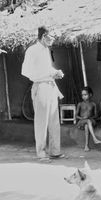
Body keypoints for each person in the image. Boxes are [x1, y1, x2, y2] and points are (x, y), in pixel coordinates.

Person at [21, 26, 65, 162]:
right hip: (40, 86)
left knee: (54, 120)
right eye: (51, 37)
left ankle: (55, 151)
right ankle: (41, 153)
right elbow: (26, 71)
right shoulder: (32, 50)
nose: (53, 40)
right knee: (42, 121)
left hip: (51, 86)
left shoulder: (46, 50)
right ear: (44, 36)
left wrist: (55, 72)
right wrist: (47, 74)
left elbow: (47, 68)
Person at [76, 86, 101, 152]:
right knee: (87, 121)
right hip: (81, 121)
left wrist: (89, 117)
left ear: (90, 95)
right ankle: (94, 138)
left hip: (91, 121)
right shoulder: (80, 104)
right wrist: (82, 118)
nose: (83, 96)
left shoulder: (93, 104)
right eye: (82, 95)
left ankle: (86, 146)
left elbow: (96, 115)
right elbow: (76, 116)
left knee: (87, 124)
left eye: (85, 95)